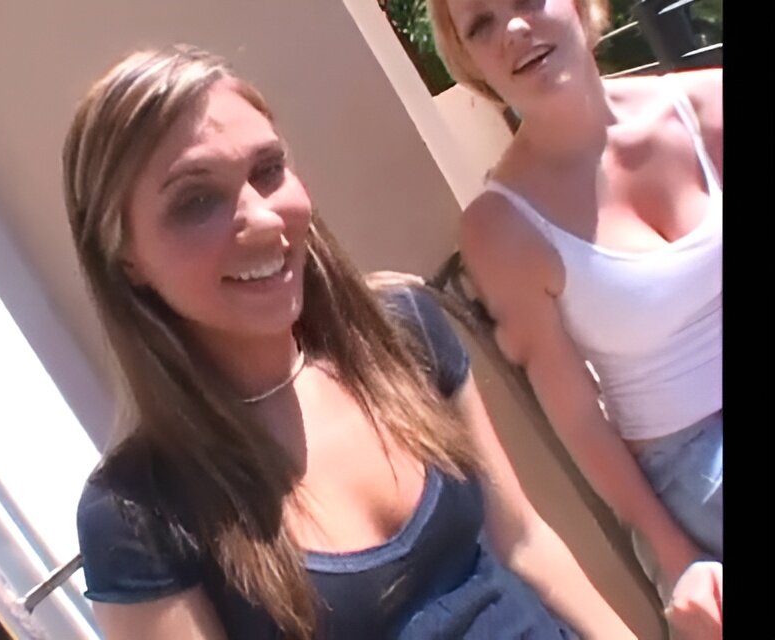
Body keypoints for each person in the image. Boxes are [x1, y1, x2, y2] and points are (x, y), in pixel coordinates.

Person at [64, 45, 636, 639]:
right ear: (127, 259)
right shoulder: (138, 514)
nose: (263, 218)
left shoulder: (401, 333)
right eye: (196, 201)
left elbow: (524, 543)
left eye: (268, 170)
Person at [425, 0, 722, 636]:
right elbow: (579, 418)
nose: (513, 28)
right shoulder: (501, 227)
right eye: (480, 25)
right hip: (694, 461)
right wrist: (675, 557)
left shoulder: (708, 105)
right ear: (471, 63)